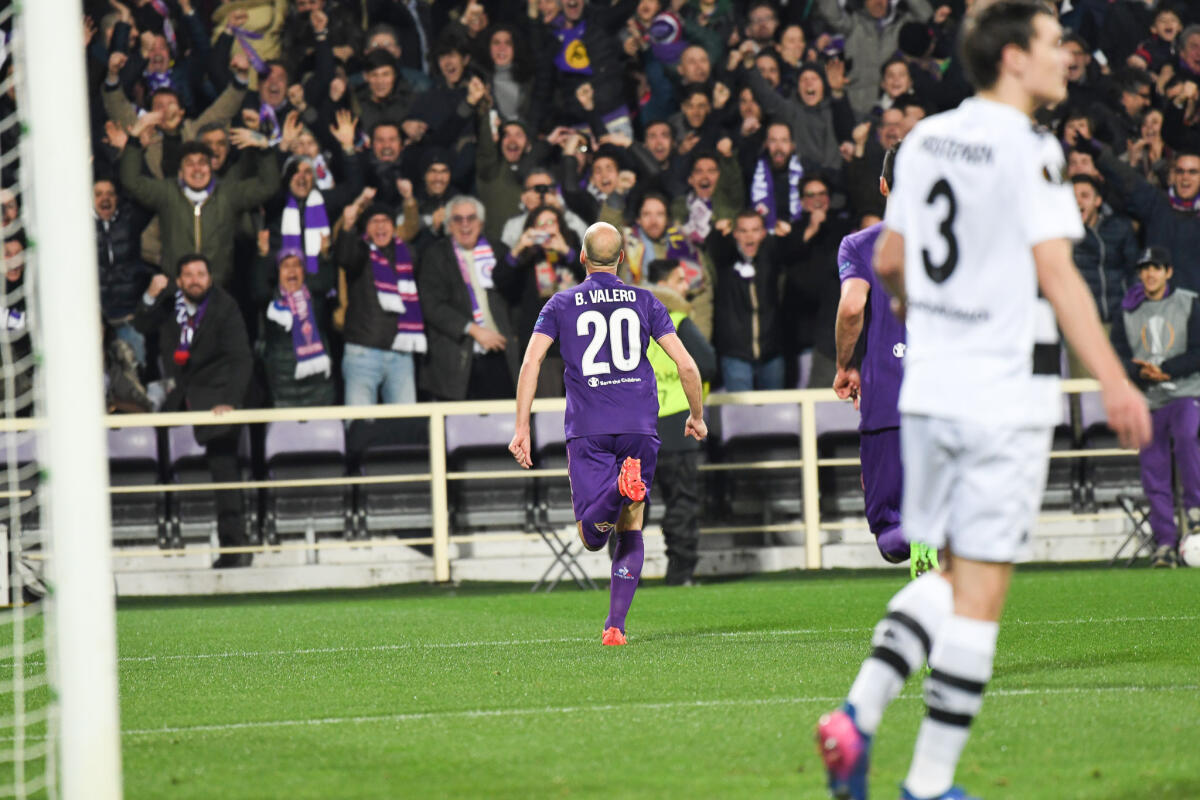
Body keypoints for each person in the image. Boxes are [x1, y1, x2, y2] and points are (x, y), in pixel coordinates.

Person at [815, 5, 1152, 800]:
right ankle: (926, 779)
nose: (1063, 54)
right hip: (1003, 387)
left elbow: (892, 259)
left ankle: (860, 716)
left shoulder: (925, 141)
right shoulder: (1030, 149)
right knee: (983, 587)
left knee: (952, 571)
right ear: (1011, 56)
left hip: (933, 384)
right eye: (1048, 42)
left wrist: (941, 312)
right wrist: (1111, 377)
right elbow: (1061, 277)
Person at [507, 222, 707, 645]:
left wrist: (522, 426)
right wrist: (696, 416)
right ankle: (615, 625)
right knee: (631, 526)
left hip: (589, 429)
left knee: (591, 537)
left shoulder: (560, 304)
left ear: (581, 257)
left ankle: (618, 489)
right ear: (620, 259)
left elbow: (531, 363)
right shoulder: (646, 301)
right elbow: (687, 365)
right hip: (639, 426)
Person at [834, 143, 939, 577]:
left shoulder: (861, 245)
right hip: (947, 397)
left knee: (888, 532)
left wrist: (845, 364)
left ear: (883, 184)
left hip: (890, 397)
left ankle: (918, 538)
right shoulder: (957, 243)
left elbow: (853, 307)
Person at [134, 254, 255, 569]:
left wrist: (230, 401)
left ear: (210, 279)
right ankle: (151, 543)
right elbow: (140, 324)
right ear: (179, 281)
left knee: (224, 471)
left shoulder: (225, 307)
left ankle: (234, 549)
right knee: (146, 456)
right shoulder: (168, 304)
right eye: (188, 274)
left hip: (217, 398)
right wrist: (150, 294)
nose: (195, 280)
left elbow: (241, 358)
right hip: (178, 398)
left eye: (201, 274)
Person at [1111, 246, 1200, 568]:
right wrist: (1139, 372)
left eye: (1156, 267)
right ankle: (1165, 542)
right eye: (1145, 268)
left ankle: (1196, 513)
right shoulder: (1127, 310)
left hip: (1185, 391)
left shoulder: (1189, 302)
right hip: (1148, 398)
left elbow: (1198, 349)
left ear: (1169, 272)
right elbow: (1117, 353)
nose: (1150, 274)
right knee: (1153, 467)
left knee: (1188, 436)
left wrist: (1169, 369)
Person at [645, 258, 717, 585]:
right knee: (682, 505)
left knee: (629, 509)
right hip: (677, 425)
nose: (686, 287)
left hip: (638, 428)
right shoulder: (678, 321)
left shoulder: (627, 324)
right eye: (680, 280)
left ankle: (625, 576)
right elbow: (707, 364)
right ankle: (680, 576)